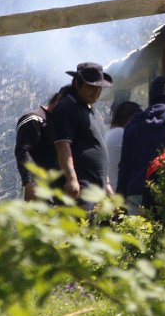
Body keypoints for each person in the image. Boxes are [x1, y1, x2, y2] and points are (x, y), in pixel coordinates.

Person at [49, 62, 113, 210]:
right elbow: (63, 145)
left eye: (98, 88)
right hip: (82, 188)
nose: (96, 92)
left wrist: (107, 184)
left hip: (98, 189)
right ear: (77, 84)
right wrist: (71, 179)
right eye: (91, 87)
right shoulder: (67, 108)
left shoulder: (93, 111)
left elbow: (99, 148)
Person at [117, 76, 165, 213]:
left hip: (136, 191)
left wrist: (119, 200)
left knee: (135, 234)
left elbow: (124, 166)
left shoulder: (133, 124)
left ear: (150, 97)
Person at [15, 85, 71, 201]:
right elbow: (23, 151)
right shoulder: (34, 119)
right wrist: (29, 183)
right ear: (60, 98)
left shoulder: (62, 125)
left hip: (59, 193)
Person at [104, 100, 142, 199]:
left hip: (109, 188)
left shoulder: (110, 132)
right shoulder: (122, 134)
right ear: (130, 118)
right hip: (118, 191)